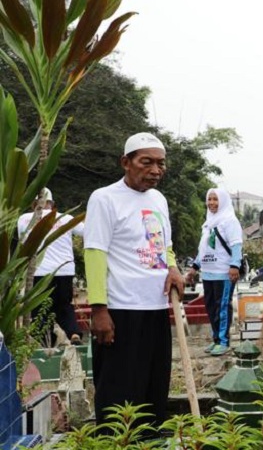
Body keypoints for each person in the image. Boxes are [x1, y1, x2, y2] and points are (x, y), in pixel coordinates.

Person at [84, 132, 184, 431]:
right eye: (146, 162)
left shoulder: (158, 199)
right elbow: (95, 252)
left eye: (160, 163)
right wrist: (99, 309)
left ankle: (150, 449)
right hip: (121, 309)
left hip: (156, 306)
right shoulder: (104, 198)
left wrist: (173, 267)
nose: (155, 170)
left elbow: (164, 244)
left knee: (154, 386)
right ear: (125, 163)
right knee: (119, 389)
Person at [17, 188, 85, 347]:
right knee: (64, 306)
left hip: (38, 272)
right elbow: (87, 231)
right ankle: (74, 333)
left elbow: (23, 241)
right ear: (52, 203)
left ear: (34, 203)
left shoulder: (24, 219)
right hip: (64, 270)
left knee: (39, 309)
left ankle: (45, 343)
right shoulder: (65, 218)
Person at [186, 188, 242, 355]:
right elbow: (203, 249)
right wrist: (195, 267)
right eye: (209, 199)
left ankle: (224, 341)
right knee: (211, 307)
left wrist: (235, 266)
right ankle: (216, 339)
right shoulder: (208, 223)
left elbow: (236, 245)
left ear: (223, 201)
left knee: (222, 307)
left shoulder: (229, 221)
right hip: (208, 273)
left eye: (215, 199)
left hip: (224, 272)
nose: (211, 203)